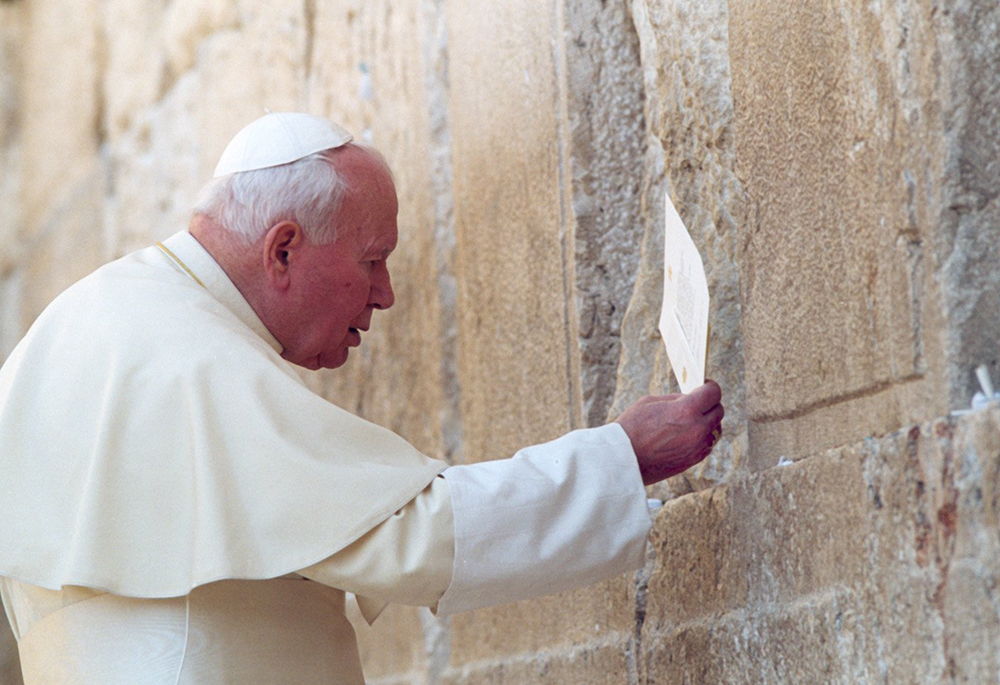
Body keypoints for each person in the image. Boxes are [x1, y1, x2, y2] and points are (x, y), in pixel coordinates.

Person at [0, 113, 724, 683]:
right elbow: (407, 538)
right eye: (372, 259)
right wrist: (619, 458)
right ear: (282, 249)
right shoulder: (185, 353)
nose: (385, 294)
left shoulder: (89, 323)